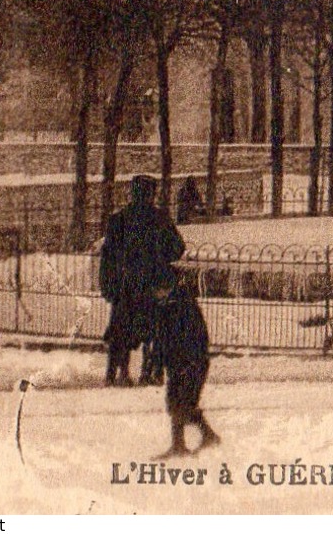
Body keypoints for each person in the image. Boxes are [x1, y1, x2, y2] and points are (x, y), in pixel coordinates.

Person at [99, 174, 185, 387]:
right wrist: (161, 258)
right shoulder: (160, 219)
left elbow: (108, 255)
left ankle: (117, 373)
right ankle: (149, 372)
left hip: (126, 286)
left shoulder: (119, 219)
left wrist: (108, 284)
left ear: (132, 192)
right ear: (151, 194)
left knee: (121, 331)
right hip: (152, 285)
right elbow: (178, 248)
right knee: (154, 330)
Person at [150, 273, 220, 458]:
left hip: (191, 362)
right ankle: (204, 437)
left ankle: (183, 445)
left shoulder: (183, 305)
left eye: (155, 291)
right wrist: (158, 366)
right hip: (177, 363)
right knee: (178, 402)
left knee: (183, 403)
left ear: (164, 288)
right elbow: (161, 340)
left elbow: (196, 336)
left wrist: (188, 361)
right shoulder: (165, 305)